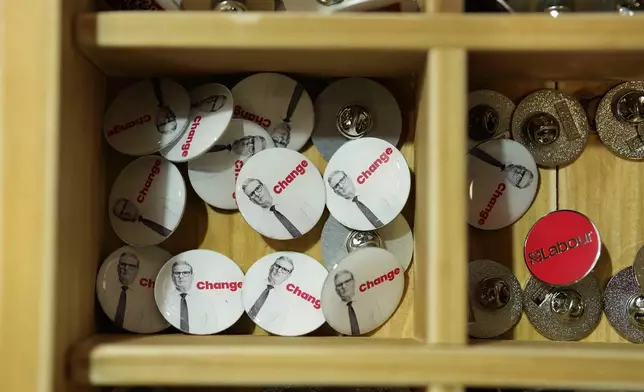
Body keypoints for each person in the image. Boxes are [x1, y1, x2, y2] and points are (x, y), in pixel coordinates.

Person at [241, 178, 317, 238]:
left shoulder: (291, 198)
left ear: (264, 186)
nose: (257, 194)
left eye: (258, 188)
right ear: (251, 200)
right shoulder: (262, 227)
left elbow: (314, 216)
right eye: (252, 194)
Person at [160, 260, 219, 334]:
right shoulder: (164, 299)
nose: (181, 276)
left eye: (185, 273)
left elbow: (212, 327)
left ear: (192, 276)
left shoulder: (205, 300)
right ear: (172, 277)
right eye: (177, 273)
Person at [246, 256, 294, 328]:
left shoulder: (284, 301)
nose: (279, 270)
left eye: (284, 269)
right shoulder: (250, 284)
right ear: (271, 267)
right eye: (277, 266)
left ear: (288, 276)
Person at [333, 269, 383, 336]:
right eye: (339, 285)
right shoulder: (334, 314)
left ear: (354, 282)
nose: (344, 286)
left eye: (347, 281)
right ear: (336, 290)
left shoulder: (370, 303)